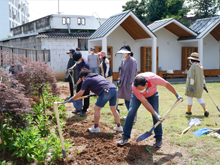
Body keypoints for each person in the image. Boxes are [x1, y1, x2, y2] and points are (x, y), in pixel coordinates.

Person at [117, 72, 183, 147]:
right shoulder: (134, 88)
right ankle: (125, 137)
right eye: (138, 89)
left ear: (146, 85)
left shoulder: (154, 79)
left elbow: (167, 84)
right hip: (137, 97)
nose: (139, 90)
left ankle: (158, 138)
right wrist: (155, 114)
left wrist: (177, 95)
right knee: (131, 112)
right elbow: (145, 102)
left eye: (141, 89)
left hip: (153, 95)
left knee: (156, 114)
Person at [71, 68, 122, 133]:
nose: (82, 80)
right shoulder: (96, 75)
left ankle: (96, 127)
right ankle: (119, 127)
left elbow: (81, 93)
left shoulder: (86, 79)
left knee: (96, 108)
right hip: (114, 89)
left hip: (106, 91)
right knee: (114, 109)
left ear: (83, 76)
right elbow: (100, 84)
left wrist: (73, 99)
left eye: (81, 78)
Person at [116, 45, 137, 122]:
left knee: (130, 100)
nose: (123, 54)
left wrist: (131, 82)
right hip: (123, 82)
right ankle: (130, 115)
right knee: (126, 99)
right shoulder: (123, 61)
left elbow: (133, 73)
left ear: (128, 53)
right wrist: (119, 80)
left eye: (124, 52)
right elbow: (121, 72)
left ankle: (134, 117)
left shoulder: (133, 61)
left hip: (129, 82)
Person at [185, 52, 209, 117]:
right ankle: (205, 110)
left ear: (192, 60)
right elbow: (203, 77)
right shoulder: (200, 66)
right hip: (199, 85)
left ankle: (189, 111)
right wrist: (204, 84)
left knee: (189, 97)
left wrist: (191, 85)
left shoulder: (193, 66)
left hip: (192, 85)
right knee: (199, 98)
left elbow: (191, 76)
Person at [72, 51, 90, 117]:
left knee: (85, 95)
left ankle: (84, 110)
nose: (77, 62)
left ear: (81, 58)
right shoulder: (78, 60)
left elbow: (82, 78)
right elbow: (76, 64)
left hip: (85, 80)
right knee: (78, 93)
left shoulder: (85, 65)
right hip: (79, 78)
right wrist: (73, 67)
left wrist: (76, 84)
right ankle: (78, 108)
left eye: (77, 60)